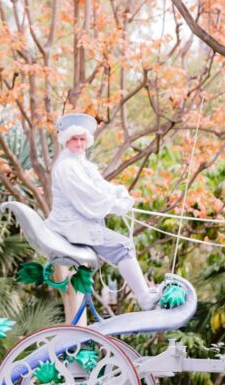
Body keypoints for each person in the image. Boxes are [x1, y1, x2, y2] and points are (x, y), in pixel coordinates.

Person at [45, 113, 158, 311]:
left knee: (124, 246)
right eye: (74, 139)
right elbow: (88, 197)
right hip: (71, 226)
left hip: (80, 223)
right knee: (123, 247)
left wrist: (119, 194)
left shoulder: (80, 163)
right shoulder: (67, 166)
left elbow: (99, 187)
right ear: (66, 140)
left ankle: (144, 296)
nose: (79, 144)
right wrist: (116, 205)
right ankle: (144, 299)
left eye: (82, 139)